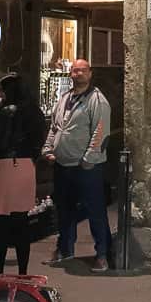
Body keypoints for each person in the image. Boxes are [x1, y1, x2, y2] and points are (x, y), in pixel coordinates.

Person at [42, 58, 112, 272]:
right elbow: (55, 126)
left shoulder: (97, 101)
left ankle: (103, 254)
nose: (77, 74)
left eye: (82, 70)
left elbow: (100, 132)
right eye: (74, 71)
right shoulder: (65, 98)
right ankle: (65, 249)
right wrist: (48, 149)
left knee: (95, 211)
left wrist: (89, 159)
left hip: (86, 168)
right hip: (63, 165)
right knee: (65, 210)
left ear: (90, 74)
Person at [0, 74, 47, 275]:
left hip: (3, 166)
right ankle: (22, 271)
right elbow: (39, 139)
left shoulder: (4, 112)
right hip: (26, 166)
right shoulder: (34, 111)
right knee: (21, 222)